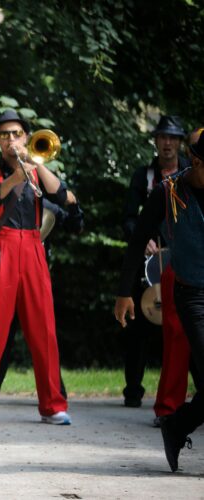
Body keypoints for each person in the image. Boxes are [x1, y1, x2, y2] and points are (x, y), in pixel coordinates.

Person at [0, 109, 70, 425]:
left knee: (44, 330)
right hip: (2, 249)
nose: (11, 140)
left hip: (34, 247)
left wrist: (35, 164)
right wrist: (16, 175)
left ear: (26, 137)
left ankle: (53, 405)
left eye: (17, 134)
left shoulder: (38, 167)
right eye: (5, 135)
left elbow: (62, 196)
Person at [114, 134, 204, 472]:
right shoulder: (168, 192)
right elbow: (138, 239)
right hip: (191, 293)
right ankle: (176, 425)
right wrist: (125, 292)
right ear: (195, 162)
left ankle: (177, 425)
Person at [121, 115, 196, 423]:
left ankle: (183, 399)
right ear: (156, 141)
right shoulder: (144, 176)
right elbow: (129, 218)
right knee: (138, 329)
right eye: (163, 137)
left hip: (182, 262)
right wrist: (145, 240)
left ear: (180, 144)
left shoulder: (191, 176)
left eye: (173, 138)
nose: (168, 143)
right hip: (149, 261)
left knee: (183, 332)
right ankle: (133, 391)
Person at [0, 191, 83, 395]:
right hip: (6, 278)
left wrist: (73, 203)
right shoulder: (5, 198)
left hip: (34, 280)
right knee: (1, 337)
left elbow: (75, 226)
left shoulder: (47, 204)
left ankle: (55, 394)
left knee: (43, 338)